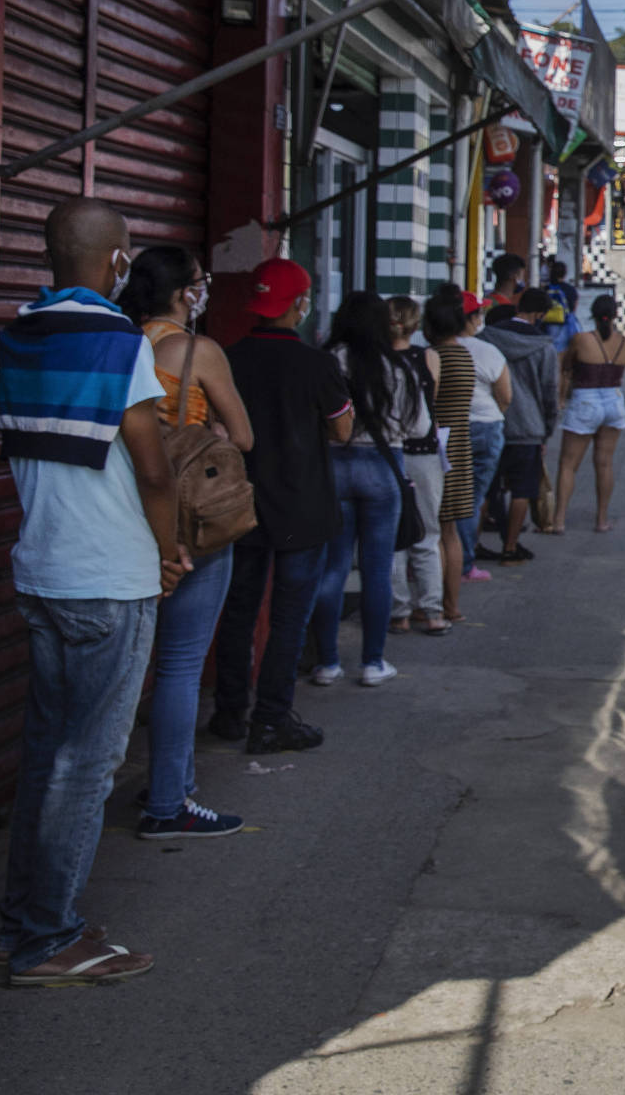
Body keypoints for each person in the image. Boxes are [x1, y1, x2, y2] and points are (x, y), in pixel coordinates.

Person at [0, 199, 184, 984]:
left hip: (44, 569)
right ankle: (47, 939)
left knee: (50, 756)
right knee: (89, 763)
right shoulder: (117, 341)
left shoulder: (16, 335)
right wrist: (171, 547)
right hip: (108, 576)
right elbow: (151, 463)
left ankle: (27, 922)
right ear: (117, 261)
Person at [120, 247, 254, 840]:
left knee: (137, 659)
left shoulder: (123, 344)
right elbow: (243, 436)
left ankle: (165, 781)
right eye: (201, 282)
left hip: (124, 514)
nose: (205, 291)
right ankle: (169, 801)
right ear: (182, 293)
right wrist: (215, 431)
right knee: (178, 665)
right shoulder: (197, 351)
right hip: (190, 523)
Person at [212, 258, 352, 753]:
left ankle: (229, 712)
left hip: (239, 505)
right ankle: (271, 719)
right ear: (298, 305)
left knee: (238, 610)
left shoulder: (227, 358)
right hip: (302, 506)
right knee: (290, 615)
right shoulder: (317, 364)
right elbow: (342, 429)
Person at [307, 294, 414, 688]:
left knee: (332, 567)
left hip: (333, 465)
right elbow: (416, 426)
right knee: (377, 569)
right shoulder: (396, 364)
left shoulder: (326, 358)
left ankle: (328, 663)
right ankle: (372, 662)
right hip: (383, 468)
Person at [481, 287, 559, 561]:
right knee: (522, 491)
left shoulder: (488, 337)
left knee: (485, 489)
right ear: (540, 314)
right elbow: (550, 391)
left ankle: (473, 545)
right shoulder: (543, 346)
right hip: (528, 428)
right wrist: (547, 429)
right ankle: (510, 547)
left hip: (490, 421)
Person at [420, 289, 481, 629]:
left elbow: (429, 404)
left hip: (438, 447)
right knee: (450, 531)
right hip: (460, 444)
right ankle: (452, 605)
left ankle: (436, 606)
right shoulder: (465, 354)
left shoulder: (434, 356)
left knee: (435, 532)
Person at [385, 297, 443, 633]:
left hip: (389, 452)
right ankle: (433, 611)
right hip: (424, 452)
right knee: (427, 533)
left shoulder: (377, 360)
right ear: (415, 324)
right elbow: (432, 402)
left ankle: (399, 612)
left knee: (394, 537)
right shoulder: (428, 357)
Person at [554, 295, 625, 532]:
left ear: (593, 315)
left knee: (568, 464)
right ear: (615, 315)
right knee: (605, 464)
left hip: (585, 400)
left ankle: (558, 521)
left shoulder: (581, 339)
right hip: (614, 400)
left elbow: (565, 365)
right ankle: (601, 520)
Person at [457, 292, 513, 564]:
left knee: (445, 500)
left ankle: (446, 559)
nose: (480, 318)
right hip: (485, 427)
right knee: (473, 498)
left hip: (447, 430)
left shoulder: (432, 349)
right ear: (470, 319)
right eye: (478, 314)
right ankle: (465, 562)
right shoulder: (487, 351)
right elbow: (505, 396)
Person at [540, 254, 581, 353]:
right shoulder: (570, 290)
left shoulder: (546, 289)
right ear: (565, 274)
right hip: (566, 323)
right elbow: (574, 308)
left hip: (549, 324)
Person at [485, 252, 527, 323]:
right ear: (513, 276)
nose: (523, 280)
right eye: (521, 276)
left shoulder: (486, 301)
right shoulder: (505, 309)